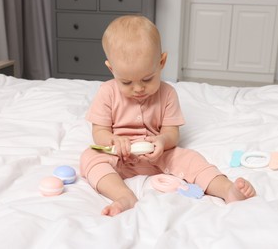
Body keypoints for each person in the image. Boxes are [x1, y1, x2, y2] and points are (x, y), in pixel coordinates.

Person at [80, 15, 256, 217]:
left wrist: (162, 141)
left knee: (190, 158)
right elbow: (99, 132)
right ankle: (123, 195)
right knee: (89, 157)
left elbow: (172, 133)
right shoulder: (106, 92)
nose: (138, 89)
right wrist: (113, 141)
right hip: (119, 156)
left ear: (161, 62)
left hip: (158, 156)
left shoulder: (168, 94)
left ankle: (227, 189)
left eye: (147, 79)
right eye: (126, 82)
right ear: (112, 69)